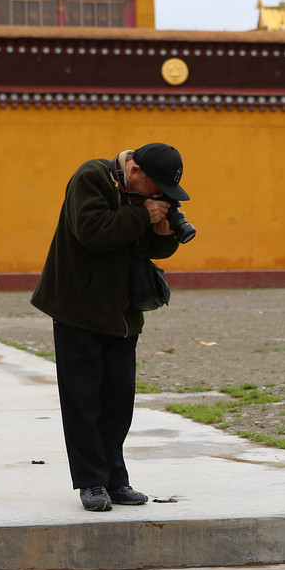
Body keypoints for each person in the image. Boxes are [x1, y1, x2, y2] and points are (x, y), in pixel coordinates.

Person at [31, 143, 188, 511]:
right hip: (78, 310)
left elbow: (148, 247)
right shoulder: (91, 177)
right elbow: (93, 232)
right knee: (83, 400)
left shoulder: (141, 197)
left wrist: (163, 232)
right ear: (136, 174)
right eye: (156, 189)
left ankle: (115, 478)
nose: (158, 197)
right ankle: (91, 482)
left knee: (118, 401)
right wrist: (142, 214)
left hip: (122, 314)